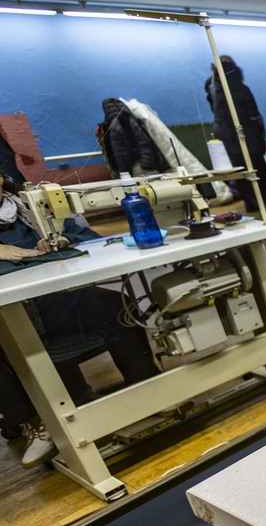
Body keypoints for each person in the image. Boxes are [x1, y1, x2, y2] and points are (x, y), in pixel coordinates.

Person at [0, 174, 160, 467]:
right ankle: (38, 423)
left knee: (116, 305)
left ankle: (147, 387)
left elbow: (93, 239)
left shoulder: (28, 208)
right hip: (9, 319)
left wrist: (64, 237)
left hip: (57, 304)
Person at [205, 55, 266, 215]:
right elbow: (252, 112)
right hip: (247, 134)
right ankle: (265, 204)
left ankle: (251, 203)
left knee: (241, 173)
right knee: (258, 170)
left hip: (226, 136)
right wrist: (261, 129)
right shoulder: (240, 88)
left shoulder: (212, 88)